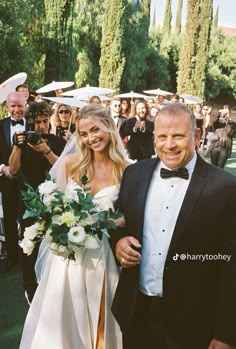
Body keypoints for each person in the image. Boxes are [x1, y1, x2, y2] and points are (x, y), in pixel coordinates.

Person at [110, 103, 236, 349]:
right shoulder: (134, 174)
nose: (169, 145)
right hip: (136, 312)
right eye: (162, 137)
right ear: (154, 137)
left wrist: (227, 332)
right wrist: (118, 241)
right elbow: (119, 221)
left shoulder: (226, 188)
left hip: (196, 319)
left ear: (197, 136)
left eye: (178, 136)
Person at [19, 104, 129, 349]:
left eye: (95, 130)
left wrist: (109, 221)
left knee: (100, 322)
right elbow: (53, 208)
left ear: (109, 127)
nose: (91, 138)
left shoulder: (126, 168)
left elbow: (130, 216)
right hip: (67, 260)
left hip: (103, 256)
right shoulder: (70, 164)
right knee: (62, 325)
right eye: (84, 134)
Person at [9, 101, 66, 303]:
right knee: (28, 246)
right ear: (29, 122)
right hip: (27, 201)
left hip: (54, 201)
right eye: (36, 123)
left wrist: (45, 150)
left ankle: (51, 286)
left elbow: (64, 170)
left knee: (54, 244)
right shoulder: (22, 142)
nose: (40, 127)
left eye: (44, 121)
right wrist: (17, 146)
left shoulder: (57, 142)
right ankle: (30, 288)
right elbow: (13, 171)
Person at [0, 92, 27, 272]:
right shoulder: (0, 126)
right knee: (9, 218)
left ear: (26, 104)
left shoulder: (35, 124)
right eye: (13, 106)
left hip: (29, 181)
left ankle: (28, 254)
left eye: (20, 105)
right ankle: (12, 257)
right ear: (7, 107)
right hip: (6, 180)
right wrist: (3, 168)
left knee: (28, 218)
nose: (17, 109)